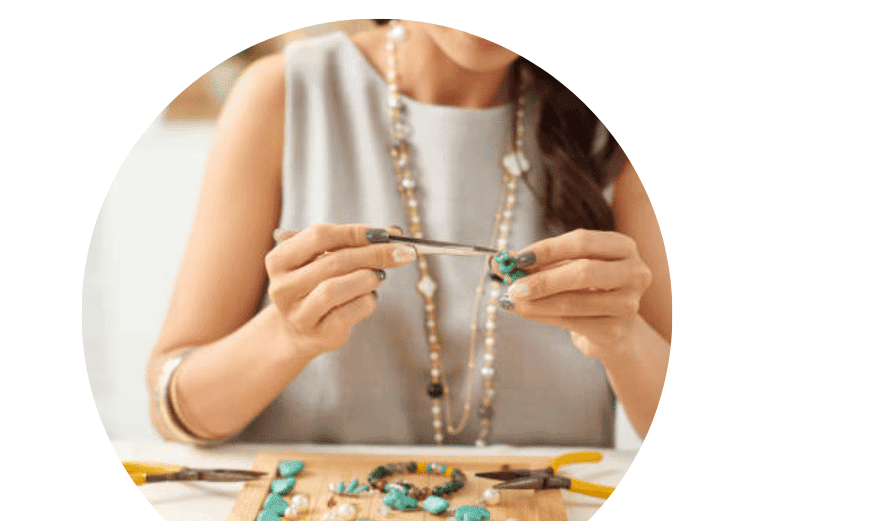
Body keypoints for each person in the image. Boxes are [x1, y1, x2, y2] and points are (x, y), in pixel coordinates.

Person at [146, 20, 671, 447]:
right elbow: (170, 409)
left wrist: (625, 339)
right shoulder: (283, 94)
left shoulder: (614, 127)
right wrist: (285, 336)